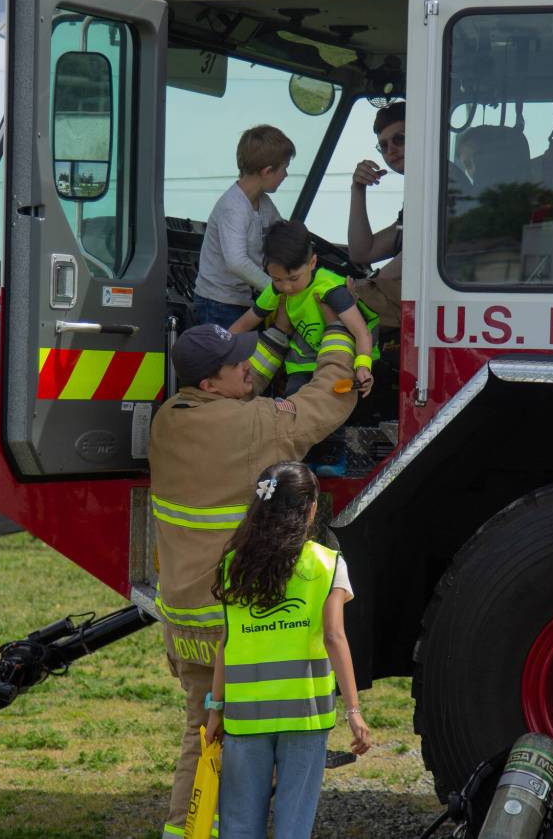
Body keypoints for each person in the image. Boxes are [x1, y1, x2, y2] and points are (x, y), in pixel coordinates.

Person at [149, 312, 359, 839]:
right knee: (251, 745)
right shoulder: (258, 424)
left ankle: (190, 831)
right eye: (233, 362)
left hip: (184, 623)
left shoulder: (169, 418)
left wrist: (279, 328)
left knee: (203, 733)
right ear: (209, 382)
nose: (248, 366)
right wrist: (337, 330)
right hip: (235, 630)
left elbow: (241, 385)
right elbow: (332, 396)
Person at [206, 461, 371, 839]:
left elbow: (225, 643)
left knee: (239, 823)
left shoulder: (234, 565)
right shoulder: (327, 564)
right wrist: (353, 711)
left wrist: (215, 709)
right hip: (305, 715)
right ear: (310, 508)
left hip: (246, 717)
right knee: (293, 824)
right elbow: (334, 637)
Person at [229, 220, 378, 397]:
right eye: (277, 279)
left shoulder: (330, 290)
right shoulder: (276, 289)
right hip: (304, 361)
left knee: (329, 402)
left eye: (293, 279)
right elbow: (243, 325)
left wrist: (363, 366)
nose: (286, 287)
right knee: (293, 400)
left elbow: (362, 332)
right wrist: (219, 353)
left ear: (312, 262)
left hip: (344, 359)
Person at [193, 125, 294, 329]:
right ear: (267, 171)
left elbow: (283, 235)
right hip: (219, 305)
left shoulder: (262, 202)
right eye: (284, 168)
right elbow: (236, 262)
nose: (286, 175)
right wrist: (279, 289)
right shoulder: (234, 207)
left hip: (242, 300)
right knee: (231, 359)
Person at [347, 102, 405, 329]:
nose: (390, 150)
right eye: (383, 145)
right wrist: (357, 189)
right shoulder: (418, 196)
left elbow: (418, 258)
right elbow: (362, 252)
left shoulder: (442, 185)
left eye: (399, 139)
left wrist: (362, 288)